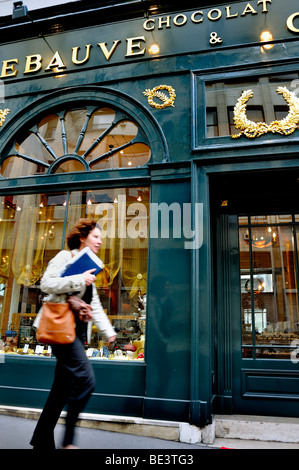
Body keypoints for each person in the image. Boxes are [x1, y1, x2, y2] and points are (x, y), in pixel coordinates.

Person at [30, 218, 116, 450]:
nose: (99, 241)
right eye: (95, 236)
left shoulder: (90, 265)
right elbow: (46, 284)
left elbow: (94, 303)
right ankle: (69, 441)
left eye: (100, 238)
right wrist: (80, 279)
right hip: (60, 330)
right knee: (86, 381)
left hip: (75, 334)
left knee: (60, 390)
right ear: (83, 237)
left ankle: (41, 441)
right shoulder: (65, 257)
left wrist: (109, 331)